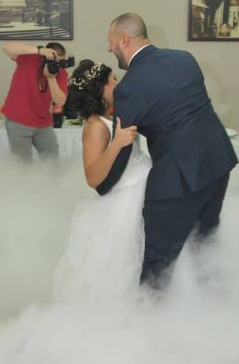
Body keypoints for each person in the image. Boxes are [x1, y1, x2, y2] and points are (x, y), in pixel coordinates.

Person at [97, 13, 238, 288]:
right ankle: (212, 299)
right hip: (218, 161)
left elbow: (123, 148)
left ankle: (151, 312)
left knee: (156, 261)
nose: (108, 47)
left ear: (123, 40)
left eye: (110, 41)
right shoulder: (184, 59)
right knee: (205, 245)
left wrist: (104, 187)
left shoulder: (128, 88)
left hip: (179, 177)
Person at [52, 59, 152, 299]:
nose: (117, 83)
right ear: (100, 90)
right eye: (111, 81)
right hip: (126, 197)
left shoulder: (111, 114)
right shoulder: (96, 125)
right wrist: (117, 143)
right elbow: (92, 176)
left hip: (139, 185)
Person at [1, 41, 68, 162]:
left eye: (60, 62)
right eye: (54, 61)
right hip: (18, 120)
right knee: (22, 166)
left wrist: (51, 78)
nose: (57, 65)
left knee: (53, 163)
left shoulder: (61, 72)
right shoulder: (30, 58)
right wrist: (38, 50)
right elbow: (7, 47)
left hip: (44, 124)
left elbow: (60, 101)